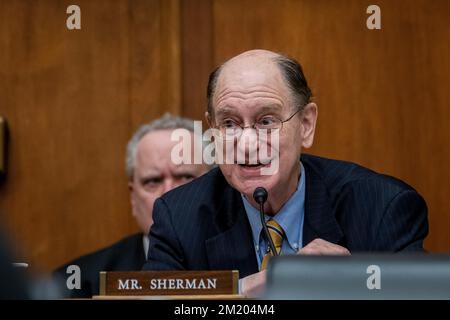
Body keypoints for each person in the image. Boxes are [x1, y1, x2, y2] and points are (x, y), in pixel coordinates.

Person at [143, 50, 429, 297]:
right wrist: (250, 289)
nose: (247, 143)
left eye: (266, 121)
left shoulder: (380, 207)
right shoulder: (179, 217)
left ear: (306, 124)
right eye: (229, 124)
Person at [54, 114, 210, 297]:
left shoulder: (249, 270)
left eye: (185, 178)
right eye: (153, 181)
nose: (169, 194)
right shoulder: (78, 283)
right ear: (133, 198)